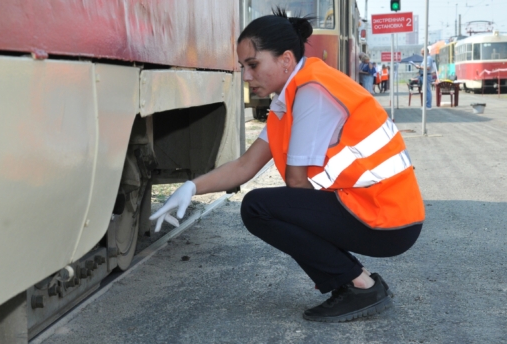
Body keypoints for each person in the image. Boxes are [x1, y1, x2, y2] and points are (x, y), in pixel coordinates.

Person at [150, 8, 425, 323]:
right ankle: (353, 282)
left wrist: (305, 227)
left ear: (285, 60)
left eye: (253, 65)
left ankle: (360, 285)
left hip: (387, 220)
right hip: (375, 211)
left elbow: (296, 183)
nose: (247, 76)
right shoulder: (289, 98)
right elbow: (245, 166)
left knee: (259, 208)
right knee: (273, 209)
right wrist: (192, 187)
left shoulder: (312, 92)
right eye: (242, 67)